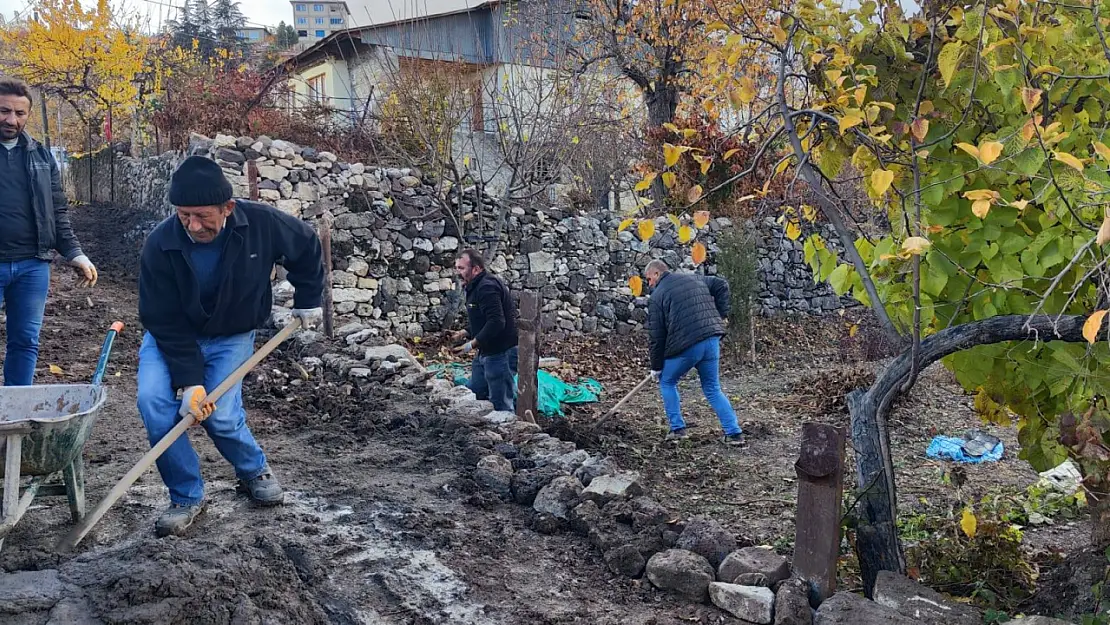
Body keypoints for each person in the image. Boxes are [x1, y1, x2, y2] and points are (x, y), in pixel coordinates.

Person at [137, 155, 324, 537]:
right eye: (184, 215)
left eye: (203, 215)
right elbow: (162, 318)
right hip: (172, 335)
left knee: (219, 414)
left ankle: (253, 470)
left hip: (232, 334)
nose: (192, 225)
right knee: (154, 404)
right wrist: (190, 381)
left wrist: (309, 299)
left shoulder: (261, 223)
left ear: (228, 208)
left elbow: (306, 245)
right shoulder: (161, 244)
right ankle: (186, 496)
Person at [0, 77, 97, 386]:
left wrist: (75, 253)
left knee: (25, 342)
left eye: (19, 113)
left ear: (27, 115)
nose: (11, 119)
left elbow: (57, 212)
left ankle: (15, 418)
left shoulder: (41, 157)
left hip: (32, 265)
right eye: (4, 111)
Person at [644, 259, 744, 446]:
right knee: (712, 388)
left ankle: (677, 429)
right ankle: (734, 434)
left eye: (649, 279)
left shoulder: (657, 297)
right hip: (711, 339)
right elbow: (721, 284)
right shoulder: (694, 279)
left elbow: (656, 337)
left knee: (667, 381)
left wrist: (656, 367)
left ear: (657, 273)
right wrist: (720, 315)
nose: (649, 284)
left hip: (687, 345)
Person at [451, 249, 519, 411]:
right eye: (457, 268)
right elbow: (484, 318)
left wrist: (470, 345)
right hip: (486, 352)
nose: (458, 273)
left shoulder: (487, 287)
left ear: (476, 269)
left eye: (461, 268)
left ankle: (508, 431)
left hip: (501, 353)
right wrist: (465, 332)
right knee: (475, 391)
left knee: (500, 402)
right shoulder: (474, 286)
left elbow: (496, 321)